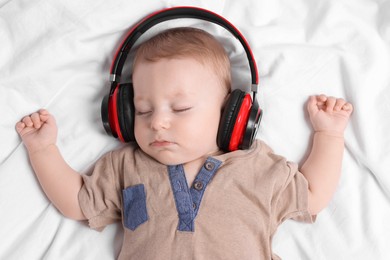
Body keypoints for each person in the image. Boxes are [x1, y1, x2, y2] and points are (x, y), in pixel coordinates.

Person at [15, 27, 353, 259]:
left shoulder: (257, 165)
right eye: (143, 110)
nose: (157, 121)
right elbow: (77, 202)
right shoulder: (126, 165)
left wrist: (329, 135)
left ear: (231, 113)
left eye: (181, 108)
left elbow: (311, 198)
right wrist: (43, 150)